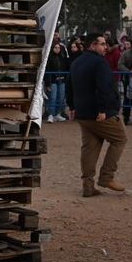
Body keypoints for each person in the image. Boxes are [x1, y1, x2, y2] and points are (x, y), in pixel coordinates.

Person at [68, 34, 127, 197]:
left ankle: (88, 185)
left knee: (89, 148)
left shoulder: (76, 62)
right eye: (102, 44)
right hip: (99, 113)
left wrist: (72, 106)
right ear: (93, 45)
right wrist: (103, 110)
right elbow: (104, 87)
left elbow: (69, 85)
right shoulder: (100, 62)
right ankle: (107, 177)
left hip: (82, 113)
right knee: (120, 139)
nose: (105, 47)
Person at [45, 41, 69, 123]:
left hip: (62, 80)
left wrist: (65, 78)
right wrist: (47, 83)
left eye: (58, 48)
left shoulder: (63, 57)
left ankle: (58, 114)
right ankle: (51, 114)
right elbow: (47, 70)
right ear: (52, 48)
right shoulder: (49, 58)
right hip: (53, 80)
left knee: (61, 97)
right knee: (53, 97)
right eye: (55, 47)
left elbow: (66, 68)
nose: (57, 49)